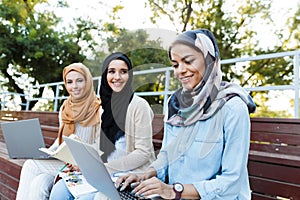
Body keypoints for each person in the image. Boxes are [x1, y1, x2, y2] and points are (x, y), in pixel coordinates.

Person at [116, 29, 256, 199]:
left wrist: (173, 190)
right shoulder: (175, 104)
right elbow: (167, 155)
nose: (179, 71)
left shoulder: (233, 108)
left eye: (188, 61)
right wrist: (146, 174)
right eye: (175, 64)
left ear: (210, 60)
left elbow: (231, 183)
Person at [49, 52, 156, 200]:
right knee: (58, 192)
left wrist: (105, 168)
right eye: (112, 71)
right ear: (105, 75)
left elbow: (143, 153)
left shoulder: (139, 105)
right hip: (100, 172)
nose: (117, 77)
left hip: (127, 175)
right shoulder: (103, 106)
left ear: (129, 75)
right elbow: (98, 145)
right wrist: (83, 162)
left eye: (123, 72)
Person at [16, 63, 101, 200]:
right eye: (69, 82)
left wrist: (82, 159)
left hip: (87, 166)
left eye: (79, 80)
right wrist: (49, 152)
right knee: (40, 183)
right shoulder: (65, 108)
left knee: (31, 166)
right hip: (66, 163)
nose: (74, 86)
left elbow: (103, 145)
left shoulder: (99, 109)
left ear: (88, 81)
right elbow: (61, 140)